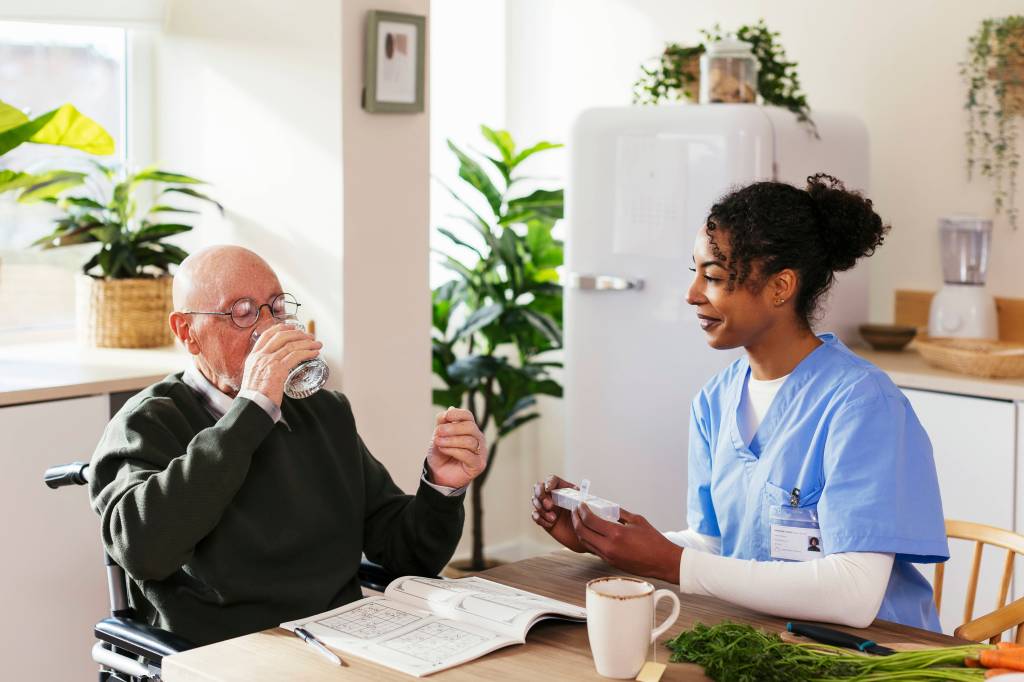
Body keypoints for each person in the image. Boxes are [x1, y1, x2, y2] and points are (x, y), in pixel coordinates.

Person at [532, 174, 948, 631]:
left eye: (713, 277)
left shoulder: (862, 404)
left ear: (780, 287)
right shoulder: (715, 400)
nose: (692, 295)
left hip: (873, 652)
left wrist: (671, 563)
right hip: (771, 640)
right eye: (694, 273)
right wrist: (606, 538)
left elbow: (853, 594)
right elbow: (716, 545)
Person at [89, 245, 487, 645]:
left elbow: (408, 557)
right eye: (242, 312)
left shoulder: (323, 411)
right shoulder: (147, 423)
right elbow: (144, 551)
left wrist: (440, 485)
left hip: (344, 642)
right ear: (186, 332)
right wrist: (252, 410)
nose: (269, 329)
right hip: (229, 655)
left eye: (276, 308)